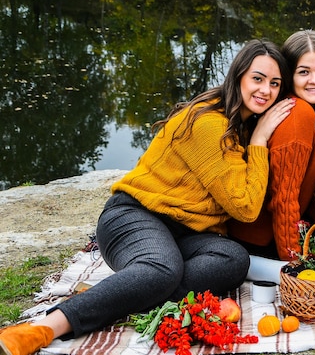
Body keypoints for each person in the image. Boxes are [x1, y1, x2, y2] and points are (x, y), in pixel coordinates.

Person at [0, 39, 296, 355]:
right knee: (162, 270)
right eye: (258, 78)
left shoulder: (240, 124)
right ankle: (43, 328)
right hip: (133, 216)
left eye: (274, 83)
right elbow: (245, 207)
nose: (266, 89)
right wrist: (261, 139)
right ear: (238, 77)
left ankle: (126, 290)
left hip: (181, 232)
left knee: (232, 259)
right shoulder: (210, 123)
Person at [228, 30, 315, 281]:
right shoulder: (299, 115)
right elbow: (283, 199)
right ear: (289, 76)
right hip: (257, 244)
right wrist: (295, 267)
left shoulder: (299, 109)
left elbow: (303, 179)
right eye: (303, 72)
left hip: (265, 237)